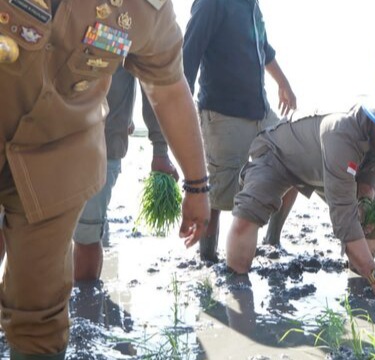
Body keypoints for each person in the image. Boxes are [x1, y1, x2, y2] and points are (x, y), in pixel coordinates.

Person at [0, 1, 210, 358]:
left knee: (39, 316)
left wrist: (197, 185)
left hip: (58, 155)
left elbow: (170, 90)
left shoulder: (149, 9)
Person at [225, 88, 375, 301]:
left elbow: (368, 184)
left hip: (323, 168)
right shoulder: (342, 132)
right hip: (277, 154)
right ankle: (237, 289)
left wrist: (364, 202)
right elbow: (343, 217)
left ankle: (359, 284)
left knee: (371, 216)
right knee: (248, 213)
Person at [182, 0, 298, 262]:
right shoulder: (210, 3)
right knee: (217, 198)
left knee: (294, 159)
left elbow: (263, 48)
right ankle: (207, 260)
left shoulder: (252, 4)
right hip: (222, 115)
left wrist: (283, 83)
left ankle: (272, 240)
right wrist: (182, 118)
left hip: (261, 112)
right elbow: (188, 56)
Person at [73, 65, 180, 282]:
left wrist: (160, 150)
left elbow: (152, 79)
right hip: (38, 138)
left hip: (102, 144)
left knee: (87, 235)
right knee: (17, 227)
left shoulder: (132, 30)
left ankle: (85, 304)